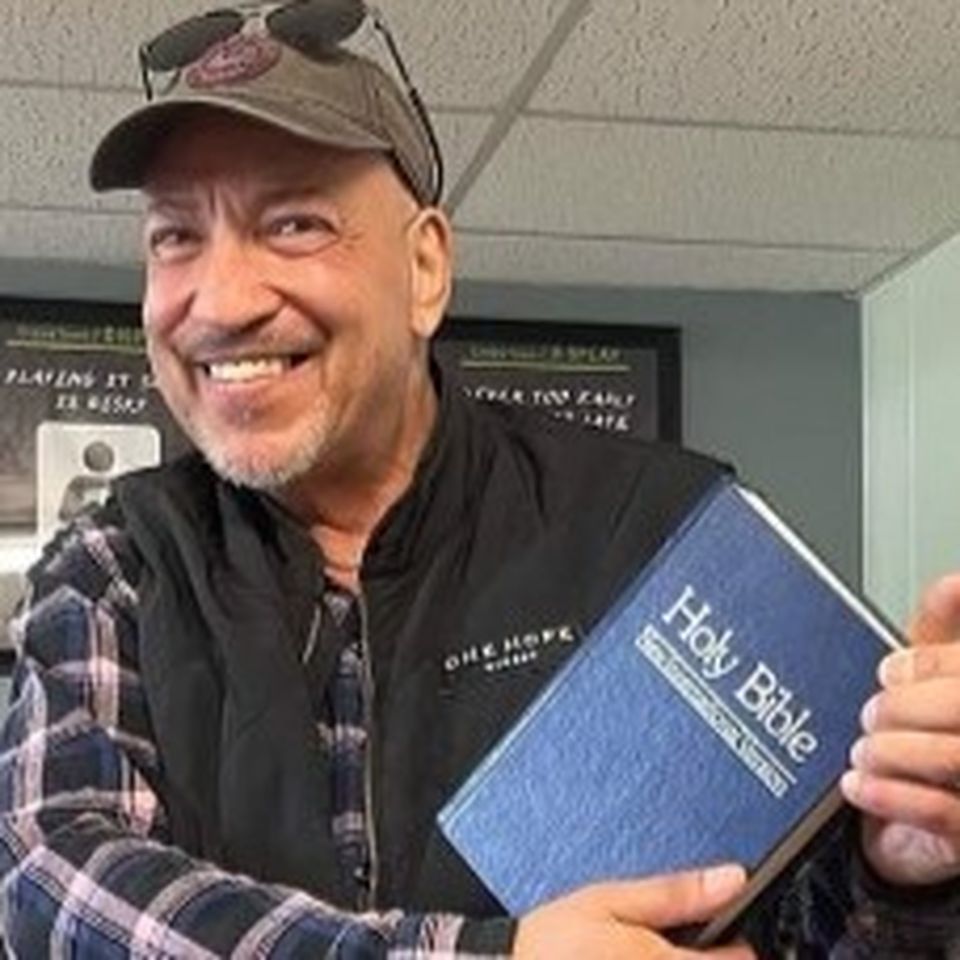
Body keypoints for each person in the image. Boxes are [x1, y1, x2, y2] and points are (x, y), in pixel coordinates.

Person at [2, 2, 959, 956]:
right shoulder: (116, 567)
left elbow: (806, 932)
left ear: (425, 269)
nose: (220, 300)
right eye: (176, 237)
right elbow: (55, 887)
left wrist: (903, 872)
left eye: (293, 224)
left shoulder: (660, 531)